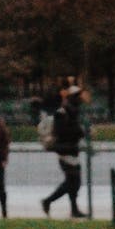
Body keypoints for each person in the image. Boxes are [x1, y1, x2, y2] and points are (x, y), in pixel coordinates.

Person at [41, 87, 85, 218]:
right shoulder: (63, 113)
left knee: (73, 182)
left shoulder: (72, 112)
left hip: (71, 150)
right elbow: (63, 131)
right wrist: (80, 131)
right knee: (73, 182)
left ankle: (73, 208)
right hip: (65, 150)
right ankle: (48, 201)